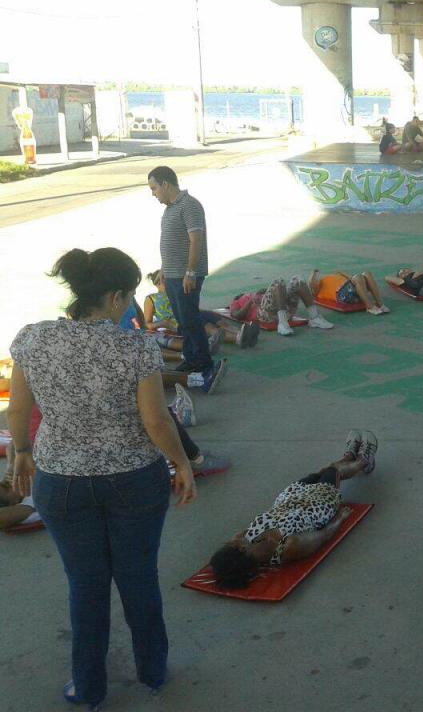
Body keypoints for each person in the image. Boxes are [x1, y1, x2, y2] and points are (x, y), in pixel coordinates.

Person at [7, 247, 196, 709]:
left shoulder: (32, 338)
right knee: (138, 577)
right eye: (128, 297)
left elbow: (18, 408)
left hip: (60, 482)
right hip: (134, 480)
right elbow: (156, 421)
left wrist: (23, 452)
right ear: (114, 297)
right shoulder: (135, 347)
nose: (129, 306)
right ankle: (153, 672)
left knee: (85, 584)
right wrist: (182, 463)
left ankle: (88, 688)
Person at [208, 431, 377, 589]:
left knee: (319, 473)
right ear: (242, 551)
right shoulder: (287, 547)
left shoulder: (244, 538)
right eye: (231, 545)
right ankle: (363, 461)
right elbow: (322, 536)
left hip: (289, 499)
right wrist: (340, 517)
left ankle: (349, 456)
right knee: (334, 471)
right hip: (316, 506)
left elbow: (236, 542)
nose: (231, 541)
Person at [147, 165, 213, 375]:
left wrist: (190, 272)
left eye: (154, 188)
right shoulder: (169, 209)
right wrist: (164, 268)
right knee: (182, 321)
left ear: (166, 184)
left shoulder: (190, 205)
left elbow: (196, 240)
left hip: (186, 276)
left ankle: (203, 363)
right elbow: (172, 243)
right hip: (172, 275)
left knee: (190, 319)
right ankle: (190, 358)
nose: (153, 194)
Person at [143, 269, 259, 350]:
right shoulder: (151, 299)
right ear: (158, 282)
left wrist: (204, 311)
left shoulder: (175, 291)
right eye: (166, 278)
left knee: (216, 319)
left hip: (192, 312)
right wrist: (163, 323)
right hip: (179, 320)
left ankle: (241, 333)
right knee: (208, 327)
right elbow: (146, 324)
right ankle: (237, 338)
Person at [228, 271, 336, 336]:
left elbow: (274, 292)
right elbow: (236, 315)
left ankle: (314, 317)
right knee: (278, 282)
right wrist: (250, 301)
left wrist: (263, 292)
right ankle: (282, 323)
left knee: (297, 280)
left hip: (284, 309)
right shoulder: (236, 301)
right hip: (266, 315)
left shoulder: (254, 294)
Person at [315, 270, 390, 316]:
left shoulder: (332, 275)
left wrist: (342, 273)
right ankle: (370, 306)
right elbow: (312, 286)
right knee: (358, 277)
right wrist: (314, 273)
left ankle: (380, 304)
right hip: (340, 294)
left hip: (352, 287)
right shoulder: (319, 285)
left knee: (367, 273)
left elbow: (352, 278)